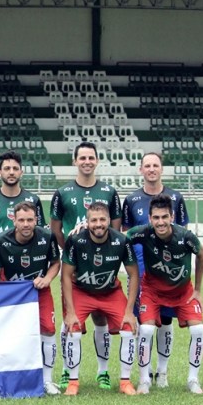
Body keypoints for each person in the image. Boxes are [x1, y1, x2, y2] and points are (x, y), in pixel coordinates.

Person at [50, 141, 122, 390]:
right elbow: (56, 230)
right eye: (82, 158)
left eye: (91, 157)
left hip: (102, 266)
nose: (87, 161)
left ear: (97, 160)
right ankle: (67, 371)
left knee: (101, 318)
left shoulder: (110, 192)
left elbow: (115, 228)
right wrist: (72, 245)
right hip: (75, 266)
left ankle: (103, 372)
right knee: (69, 319)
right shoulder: (62, 193)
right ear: (75, 161)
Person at [121, 152, 189, 387]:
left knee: (167, 320)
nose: (151, 169)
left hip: (168, 267)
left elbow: (183, 233)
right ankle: (145, 371)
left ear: (162, 169)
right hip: (141, 265)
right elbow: (126, 236)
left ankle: (162, 372)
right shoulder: (131, 200)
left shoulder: (176, 197)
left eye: (155, 165)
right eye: (147, 165)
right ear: (141, 170)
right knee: (143, 319)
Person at [127, 195, 203, 395]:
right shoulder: (142, 233)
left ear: (172, 216)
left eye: (164, 217)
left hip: (182, 292)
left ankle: (192, 379)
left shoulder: (186, 237)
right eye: (156, 217)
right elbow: (118, 239)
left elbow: (202, 254)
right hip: (152, 291)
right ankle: (144, 380)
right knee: (145, 330)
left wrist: (197, 289)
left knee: (198, 330)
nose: (160, 222)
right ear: (149, 218)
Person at [62, 203, 139, 396]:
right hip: (82, 291)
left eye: (102, 220)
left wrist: (129, 312)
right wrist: (70, 313)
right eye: (94, 220)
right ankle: (73, 382)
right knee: (73, 329)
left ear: (109, 222)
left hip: (110, 293)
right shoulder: (76, 241)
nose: (98, 224)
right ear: (87, 222)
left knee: (128, 327)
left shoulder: (121, 241)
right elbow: (65, 276)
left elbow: (134, 274)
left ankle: (125, 382)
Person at [0, 201, 61, 395]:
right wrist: (0, 296)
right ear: (14, 220)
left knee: (48, 329)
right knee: (11, 333)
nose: (26, 224)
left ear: (36, 220)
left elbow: (56, 263)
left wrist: (47, 278)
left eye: (30, 220)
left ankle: (47, 380)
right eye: (22, 220)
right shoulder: (1, 240)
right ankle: (10, 376)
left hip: (39, 291)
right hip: (13, 294)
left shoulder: (47, 237)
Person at [0, 150, 45, 281]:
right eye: (7, 168)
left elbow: (40, 232)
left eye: (15, 168)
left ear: (21, 172)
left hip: (26, 260)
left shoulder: (33, 200)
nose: (11, 172)